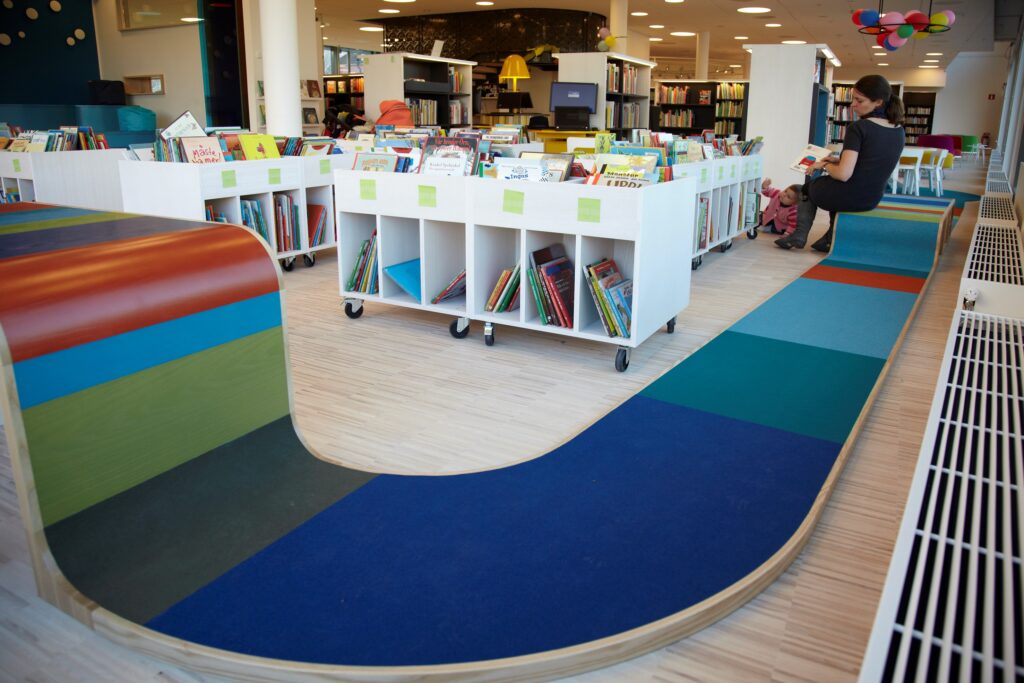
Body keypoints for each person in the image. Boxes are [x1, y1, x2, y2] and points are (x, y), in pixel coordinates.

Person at [776, 74, 905, 252]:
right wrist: (838, 160)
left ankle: (799, 235)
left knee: (808, 188)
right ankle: (829, 238)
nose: (853, 105)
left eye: (859, 100)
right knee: (832, 188)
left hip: (850, 195)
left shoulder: (859, 127)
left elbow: (843, 175)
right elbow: (871, 163)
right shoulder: (899, 130)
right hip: (871, 198)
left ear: (878, 102)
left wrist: (824, 165)